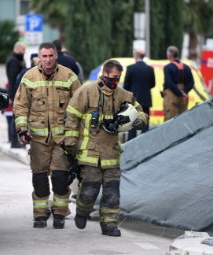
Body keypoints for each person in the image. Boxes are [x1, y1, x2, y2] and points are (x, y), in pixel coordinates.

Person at [64, 60, 148, 237]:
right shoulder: (87, 91)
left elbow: (140, 111)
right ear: (104, 73)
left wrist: (140, 120)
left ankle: (109, 225)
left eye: (118, 78)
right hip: (89, 151)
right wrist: (70, 142)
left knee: (112, 192)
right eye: (112, 78)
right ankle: (82, 210)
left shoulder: (123, 95)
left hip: (111, 152)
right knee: (89, 190)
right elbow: (71, 115)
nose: (114, 81)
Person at [13, 42, 81, 229]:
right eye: (44, 56)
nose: (48, 60)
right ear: (39, 57)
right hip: (37, 139)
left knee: (60, 178)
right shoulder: (29, 77)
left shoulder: (69, 77)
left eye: (51, 56)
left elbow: (80, 107)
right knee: (40, 178)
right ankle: (40, 215)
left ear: (56, 56)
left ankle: (59, 213)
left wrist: (75, 135)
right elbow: (20, 106)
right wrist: (22, 129)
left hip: (62, 139)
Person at [123, 49, 155, 140]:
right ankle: (145, 141)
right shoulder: (150, 69)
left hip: (133, 100)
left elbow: (126, 86)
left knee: (132, 123)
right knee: (144, 122)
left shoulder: (130, 68)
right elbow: (153, 84)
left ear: (136, 56)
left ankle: (132, 142)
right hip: (146, 100)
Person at [163, 45, 194, 121]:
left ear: (169, 56)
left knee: (170, 120)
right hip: (184, 98)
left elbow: (169, 83)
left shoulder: (168, 67)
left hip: (171, 97)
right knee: (183, 120)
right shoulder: (186, 67)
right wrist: (184, 92)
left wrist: (179, 93)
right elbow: (191, 82)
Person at [5, 41, 27, 148]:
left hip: (17, 92)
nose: (24, 52)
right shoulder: (14, 61)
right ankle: (14, 141)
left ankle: (16, 140)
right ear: (17, 49)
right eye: (23, 50)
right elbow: (14, 79)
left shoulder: (17, 60)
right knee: (16, 117)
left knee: (17, 117)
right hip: (16, 93)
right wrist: (15, 95)